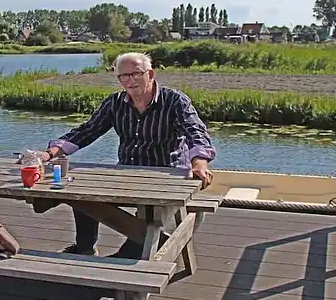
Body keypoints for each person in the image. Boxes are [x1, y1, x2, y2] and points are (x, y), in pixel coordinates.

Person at [30, 52, 216, 259]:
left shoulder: (175, 101)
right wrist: (48, 154)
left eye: (136, 74)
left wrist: (199, 163)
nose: (130, 80)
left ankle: (124, 261)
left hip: (167, 174)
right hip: (126, 172)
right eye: (124, 76)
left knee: (148, 222)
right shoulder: (114, 102)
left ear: (150, 74)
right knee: (80, 193)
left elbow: (195, 132)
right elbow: (87, 131)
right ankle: (85, 248)